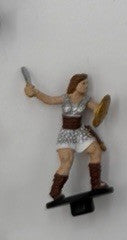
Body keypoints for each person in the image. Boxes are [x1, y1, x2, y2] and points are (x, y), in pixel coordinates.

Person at [23, 71, 108, 199]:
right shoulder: (65, 98)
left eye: (87, 83)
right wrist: (35, 93)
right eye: (83, 83)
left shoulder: (86, 100)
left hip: (80, 132)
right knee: (66, 161)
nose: (86, 86)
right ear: (75, 84)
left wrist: (101, 110)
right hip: (66, 133)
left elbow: (98, 109)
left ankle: (96, 184)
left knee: (95, 150)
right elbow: (50, 100)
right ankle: (55, 192)